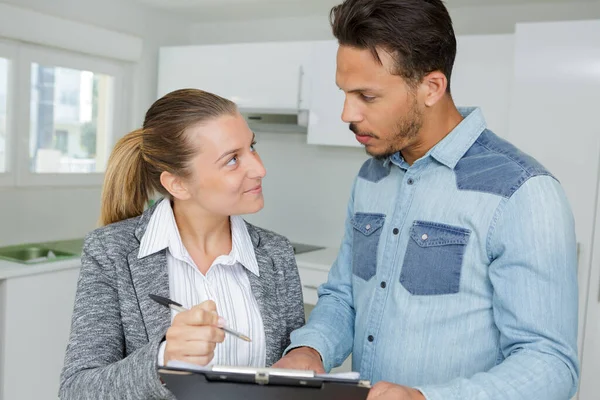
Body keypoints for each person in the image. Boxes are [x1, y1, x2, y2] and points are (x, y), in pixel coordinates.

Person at [274, 1, 579, 399]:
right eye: (345, 93)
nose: (347, 113)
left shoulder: (522, 191)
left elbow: (550, 364)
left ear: (432, 87)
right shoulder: (371, 176)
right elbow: (346, 295)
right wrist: (310, 348)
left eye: (367, 95)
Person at [59, 89, 304, 399]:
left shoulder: (276, 254)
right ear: (177, 184)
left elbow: (292, 381)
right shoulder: (111, 252)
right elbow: (77, 391)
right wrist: (163, 359)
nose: (259, 168)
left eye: (252, 147)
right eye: (232, 160)